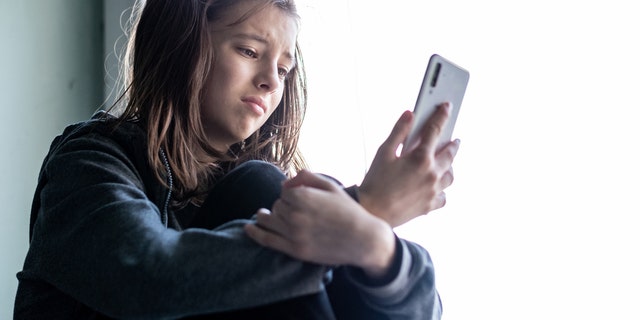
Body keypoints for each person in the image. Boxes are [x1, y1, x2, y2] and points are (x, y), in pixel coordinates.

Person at [14, 0, 460, 318]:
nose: (270, 80)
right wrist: (366, 212)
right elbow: (148, 278)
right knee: (267, 191)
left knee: (283, 195)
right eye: (249, 51)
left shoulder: (272, 196)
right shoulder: (89, 162)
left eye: (283, 69)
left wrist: (375, 241)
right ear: (181, 43)